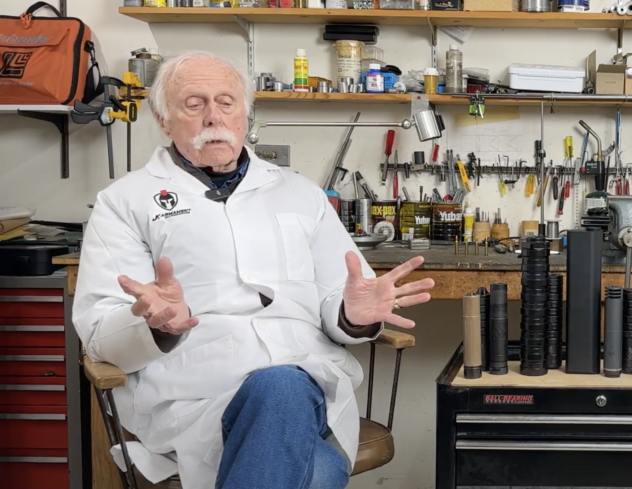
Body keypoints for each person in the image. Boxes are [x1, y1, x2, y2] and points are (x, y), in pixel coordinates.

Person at [73, 50, 435, 489]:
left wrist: (351, 316)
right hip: (195, 398)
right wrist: (155, 326)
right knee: (317, 467)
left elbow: (337, 295)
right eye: (194, 104)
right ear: (163, 119)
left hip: (305, 381)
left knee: (282, 388)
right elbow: (98, 329)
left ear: (245, 114)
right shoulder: (125, 202)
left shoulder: (301, 194)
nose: (214, 116)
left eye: (226, 102)